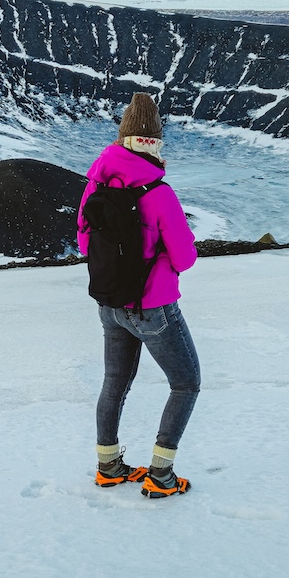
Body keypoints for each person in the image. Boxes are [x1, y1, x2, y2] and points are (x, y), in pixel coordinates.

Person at [77, 92, 200, 500]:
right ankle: (161, 475)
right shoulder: (159, 193)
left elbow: (83, 243)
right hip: (153, 308)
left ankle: (108, 467)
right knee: (185, 384)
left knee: (114, 383)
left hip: (109, 304)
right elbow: (184, 257)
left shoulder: (96, 181)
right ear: (154, 143)